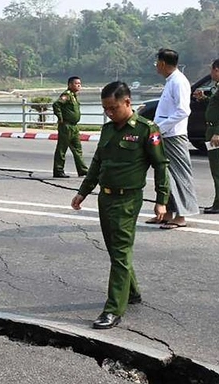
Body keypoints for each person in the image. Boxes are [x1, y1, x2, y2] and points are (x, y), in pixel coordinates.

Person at [71, 81, 169, 329]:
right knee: (116, 250)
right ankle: (131, 292)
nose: (109, 113)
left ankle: (113, 309)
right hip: (105, 197)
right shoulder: (108, 130)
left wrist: (161, 201)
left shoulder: (146, 129)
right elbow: (97, 163)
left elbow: (161, 165)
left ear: (127, 102)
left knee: (121, 251)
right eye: (105, 109)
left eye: (113, 108)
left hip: (127, 200)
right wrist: (83, 192)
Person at [147, 48, 199, 229]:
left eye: (157, 63)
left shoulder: (178, 81)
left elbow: (183, 110)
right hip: (165, 135)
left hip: (174, 135)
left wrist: (161, 127)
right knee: (165, 174)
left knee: (179, 175)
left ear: (162, 63)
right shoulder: (171, 81)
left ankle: (181, 215)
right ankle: (167, 213)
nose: (156, 66)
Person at [193, 58, 219, 214]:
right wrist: (204, 98)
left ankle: (218, 204)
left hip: (215, 132)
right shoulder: (217, 87)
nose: (211, 74)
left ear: (217, 70)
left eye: (212, 70)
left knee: (217, 169)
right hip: (211, 130)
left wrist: (217, 133)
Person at [52, 76, 89, 178]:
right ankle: (58, 170)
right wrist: (60, 117)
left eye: (80, 84)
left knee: (78, 149)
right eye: (76, 83)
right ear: (70, 85)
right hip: (66, 126)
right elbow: (56, 104)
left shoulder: (73, 96)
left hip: (74, 126)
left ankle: (83, 170)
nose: (79, 85)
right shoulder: (67, 95)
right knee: (62, 149)